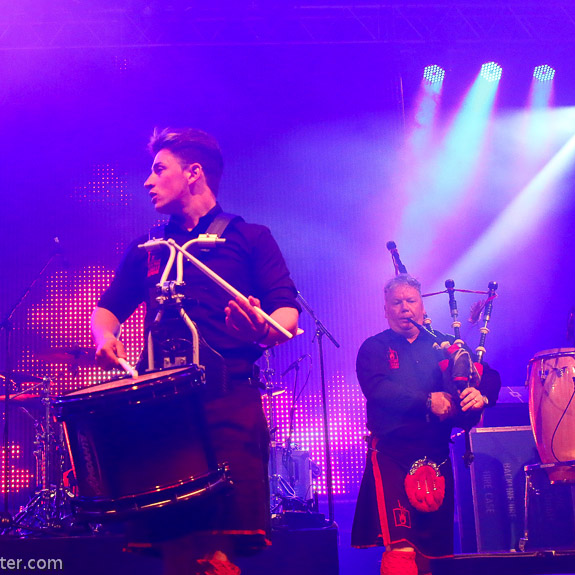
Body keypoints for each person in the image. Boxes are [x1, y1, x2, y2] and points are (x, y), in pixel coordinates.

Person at [91, 128, 300, 575]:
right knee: (176, 551)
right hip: (162, 411)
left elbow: (287, 312)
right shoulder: (148, 248)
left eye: (158, 169)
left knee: (218, 555)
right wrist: (104, 337)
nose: (148, 181)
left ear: (193, 173)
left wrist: (262, 329)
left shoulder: (250, 237)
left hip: (228, 402)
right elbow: (107, 309)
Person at [351, 274, 501, 575]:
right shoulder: (374, 347)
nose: (404, 307)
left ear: (422, 307)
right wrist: (427, 401)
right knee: (402, 548)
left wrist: (481, 396)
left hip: (436, 456)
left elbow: (489, 377)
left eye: (411, 301)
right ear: (385, 310)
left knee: (433, 555)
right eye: (396, 302)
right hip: (392, 455)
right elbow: (378, 390)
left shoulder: (444, 345)